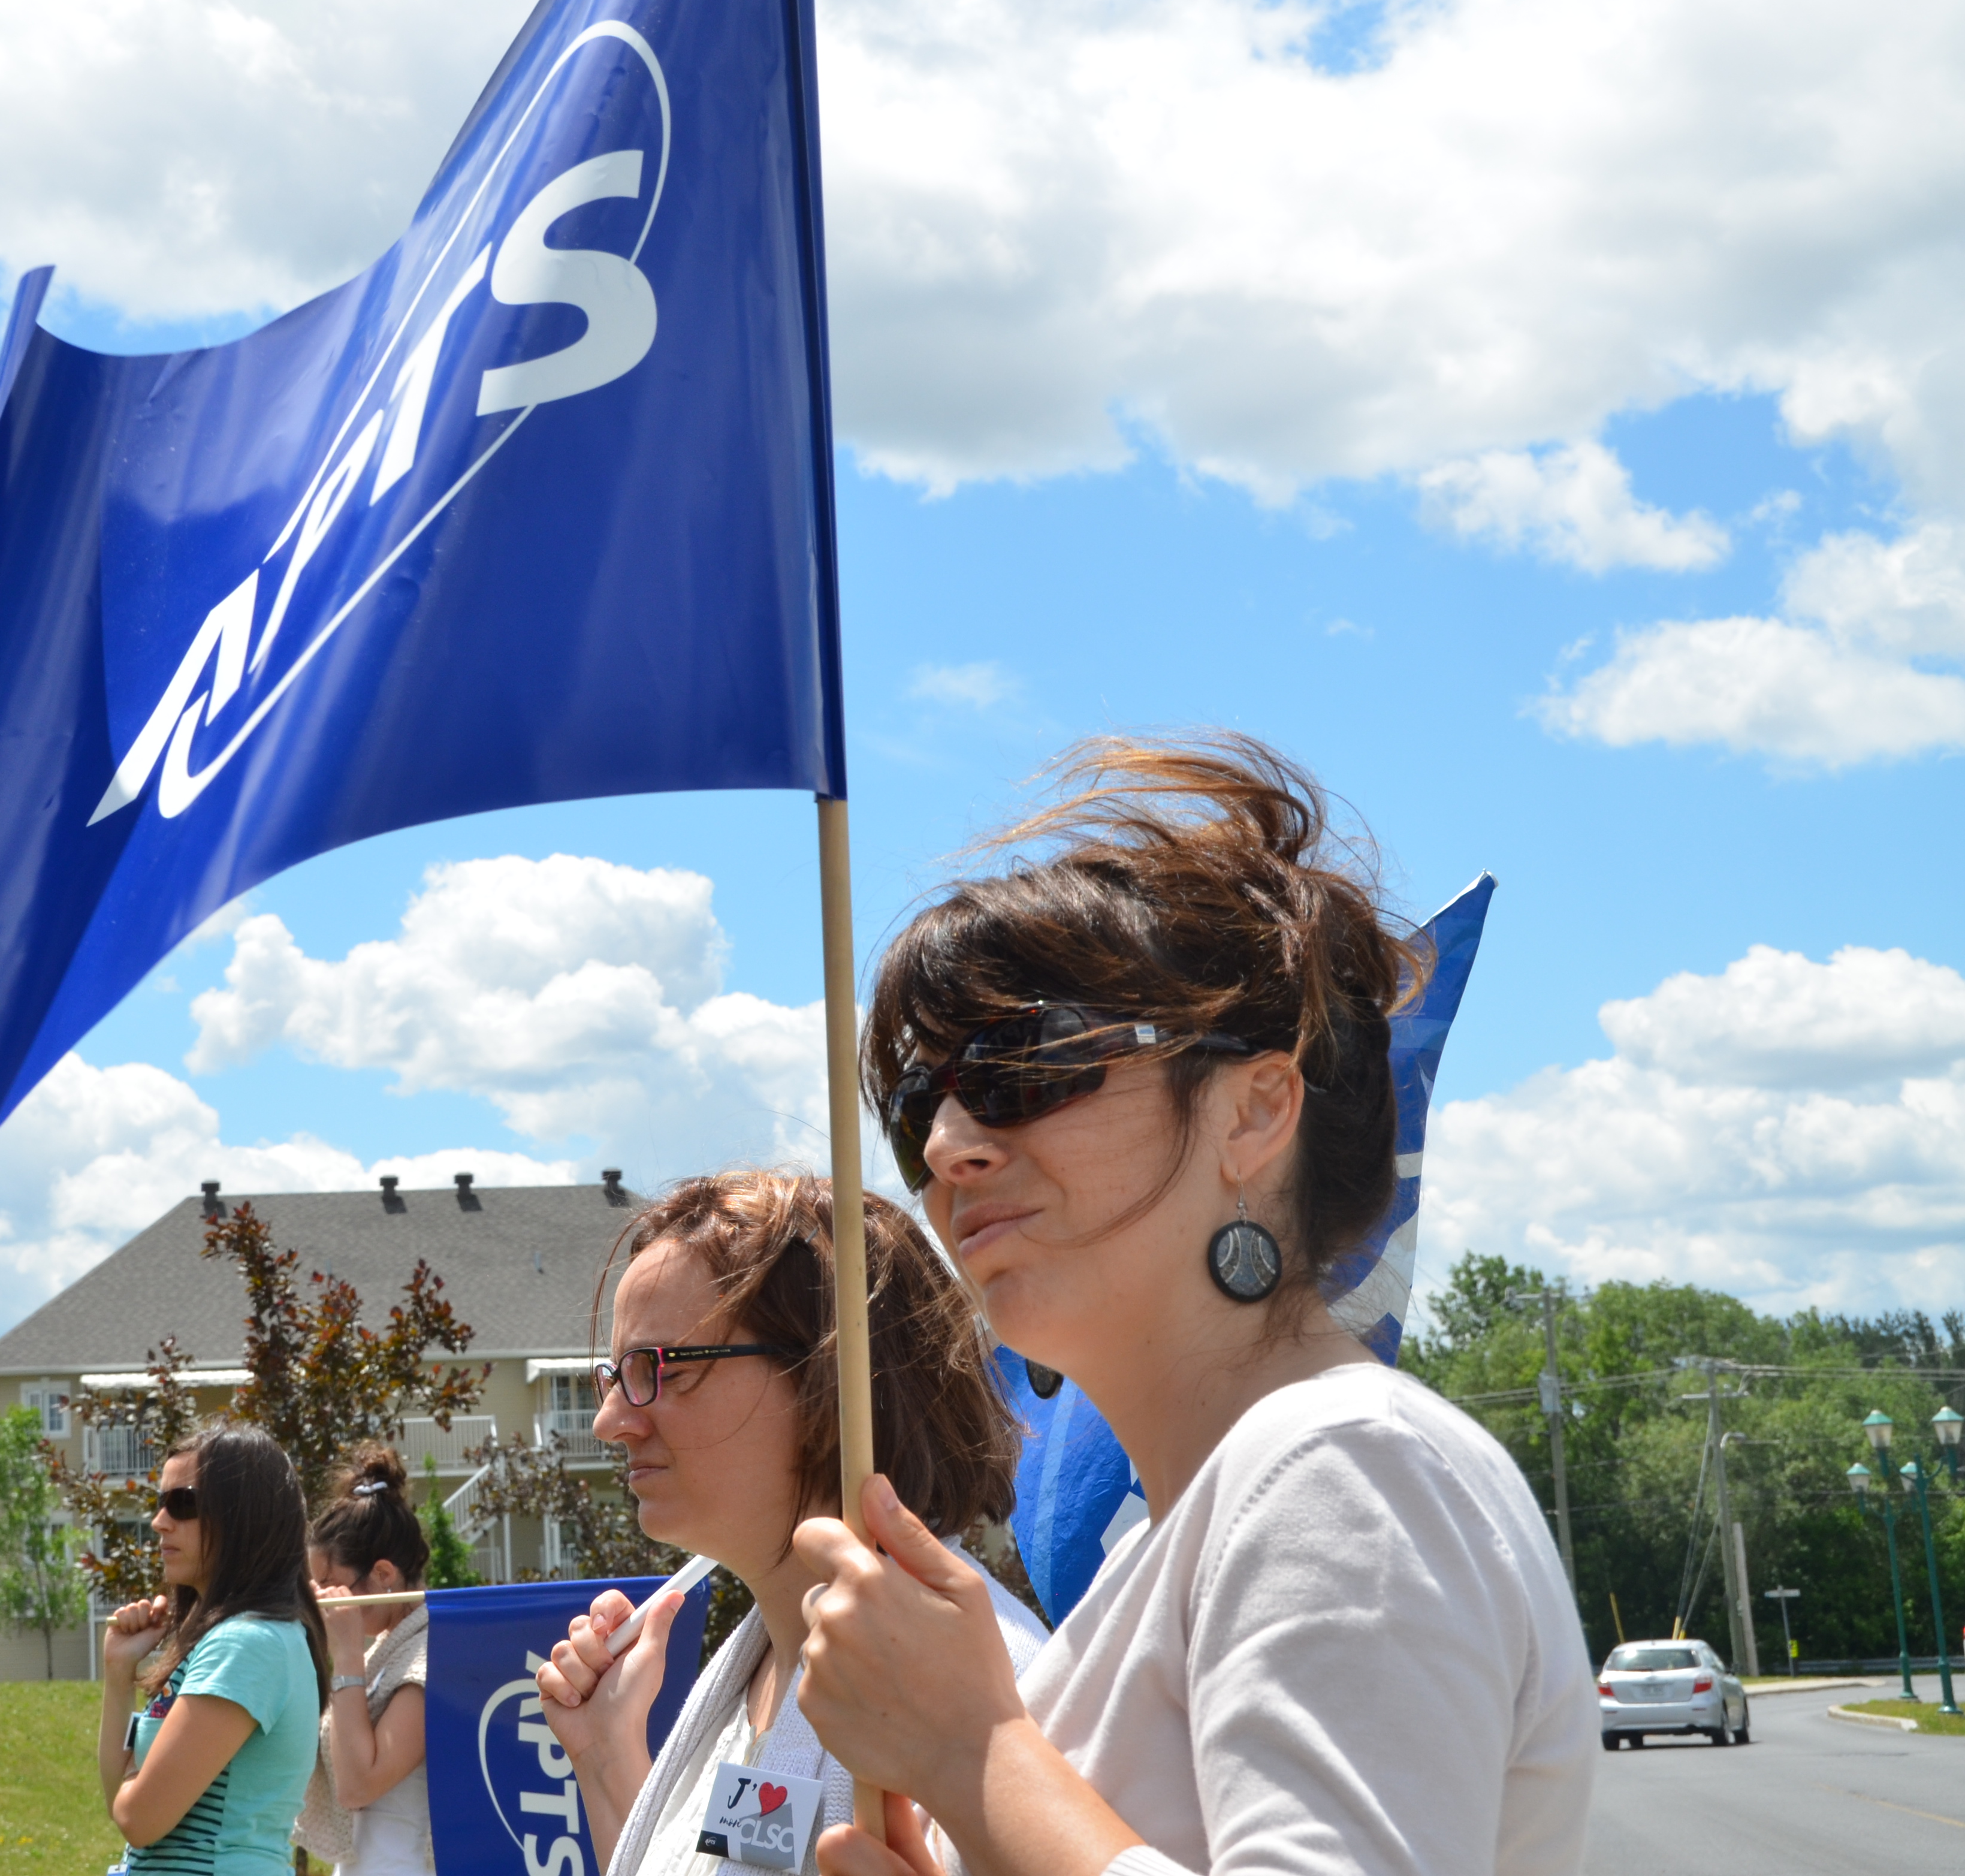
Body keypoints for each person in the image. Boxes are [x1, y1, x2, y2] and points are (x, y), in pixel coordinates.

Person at [794, 735, 1596, 1876]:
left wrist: (974, 1749)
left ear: (1254, 1111)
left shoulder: (1343, 1464)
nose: (946, 1144)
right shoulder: (1182, 1543)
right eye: (919, 1100)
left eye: (1026, 1061)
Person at [535, 1171, 1045, 1876]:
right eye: (614, 1377)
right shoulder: (764, 1671)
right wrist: (604, 1756)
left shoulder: (985, 1697)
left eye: (657, 1369)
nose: (610, 1421)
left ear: (827, 1374)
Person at [98, 1422, 327, 1874]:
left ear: (244, 1517)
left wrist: (135, 1794)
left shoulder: (248, 1644)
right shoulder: (232, 1639)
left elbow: (138, 1819)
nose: (159, 1522)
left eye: (183, 1504)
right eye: (160, 1503)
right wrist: (119, 1673)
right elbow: (119, 1806)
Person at [296, 1443, 434, 1875]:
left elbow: (358, 1786)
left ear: (383, 1575)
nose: (322, 1599)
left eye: (331, 1584)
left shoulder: (428, 1658)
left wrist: (347, 1655)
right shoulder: (383, 1653)